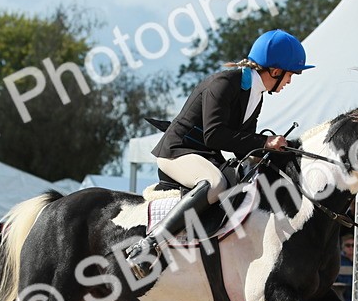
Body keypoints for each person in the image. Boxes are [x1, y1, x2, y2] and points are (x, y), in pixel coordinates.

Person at [124, 28, 312, 278]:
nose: (290, 81)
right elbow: (213, 135)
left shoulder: (255, 94)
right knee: (215, 184)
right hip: (178, 152)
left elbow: (240, 144)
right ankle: (149, 244)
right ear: (275, 71)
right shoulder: (224, 84)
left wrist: (272, 153)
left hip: (203, 155)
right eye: (290, 74)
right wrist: (265, 141)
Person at [336, 233, 354, 301]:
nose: (351, 248)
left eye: (353, 245)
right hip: (343, 297)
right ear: (342, 247)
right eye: (348, 245)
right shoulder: (338, 261)